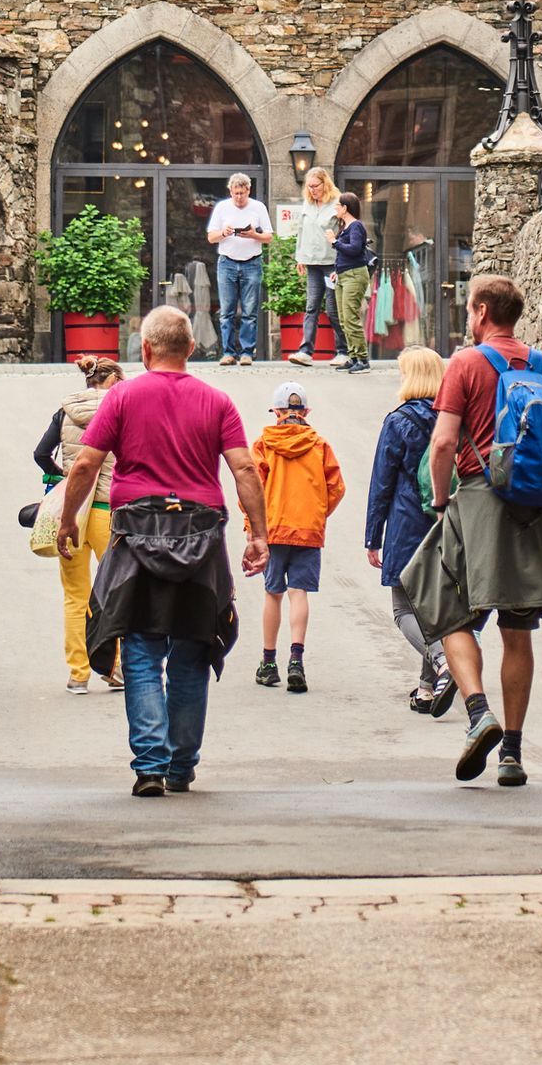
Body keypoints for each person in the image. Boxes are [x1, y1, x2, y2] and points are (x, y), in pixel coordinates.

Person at [59, 305, 268, 796]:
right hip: (201, 535)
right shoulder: (217, 401)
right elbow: (244, 470)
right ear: (191, 349)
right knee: (193, 649)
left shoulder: (123, 397)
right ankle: (180, 766)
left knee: (140, 647)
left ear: (145, 349)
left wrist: (69, 518)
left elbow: (86, 464)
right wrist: (258, 534)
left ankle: (149, 765)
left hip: (136, 533)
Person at [399, 275, 542, 789]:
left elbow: (443, 442)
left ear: (479, 311)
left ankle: (478, 713)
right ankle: (513, 755)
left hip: (478, 501)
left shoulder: (466, 364)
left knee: (442, 606)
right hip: (536, 510)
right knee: (518, 631)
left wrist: (437, 498)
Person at [363, 344, 456, 715]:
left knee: (404, 610)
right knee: (433, 610)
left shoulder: (398, 421)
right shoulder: (453, 418)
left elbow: (381, 483)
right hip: (448, 524)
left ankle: (445, 663)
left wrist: (373, 537)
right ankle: (426, 689)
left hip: (407, 524)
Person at [33, 354, 124, 695]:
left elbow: (41, 453)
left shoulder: (65, 411)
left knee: (75, 595)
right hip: (106, 509)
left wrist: (64, 476)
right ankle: (114, 668)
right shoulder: (119, 409)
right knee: (118, 593)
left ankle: (79, 673)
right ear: (113, 381)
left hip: (72, 513)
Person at [250, 382, 345, 692]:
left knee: (273, 593)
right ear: (306, 412)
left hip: (272, 529)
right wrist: (317, 514)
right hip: (307, 530)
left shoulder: (264, 443)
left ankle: (268, 663)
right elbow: (336, 487)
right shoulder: (319, 445)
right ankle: (296, 660)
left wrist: (254, 526)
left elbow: (251, 486)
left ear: (276, 412)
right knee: (299, 593)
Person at [206, 170, 273, 367]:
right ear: (230, 191)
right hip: (227, 262)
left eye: (242, 193)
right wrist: (224, 233)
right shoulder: (222, 208)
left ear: (248, 190)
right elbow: (211, 237)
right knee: (226, 310)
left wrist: (253, 235)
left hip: (252, 261)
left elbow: (269, 236)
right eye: (235, 193)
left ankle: (246, 352)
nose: (239, 197)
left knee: (249, 311)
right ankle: (228, 352)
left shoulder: (258, 207)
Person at [293, 166, 344, 363]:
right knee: (311, 306)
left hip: (331, 262)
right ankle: (306, 351)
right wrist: (300, 257)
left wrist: (343, 261)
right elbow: (301, 231)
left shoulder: (337, 203)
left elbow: (345, 230)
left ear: (325, 183)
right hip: (312, 262)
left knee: (333, 309)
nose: (312, 189)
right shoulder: (307, 204)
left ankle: (343, 351)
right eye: (309, 186)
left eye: (315, 185)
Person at [332, 191, 374, 372]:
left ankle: (363, 359)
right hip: (343, 275)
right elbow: (345, 254)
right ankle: (353, 356)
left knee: (351, 318)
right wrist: (336, 271)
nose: (335, 208)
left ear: (345, 208)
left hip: (354, 275)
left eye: (337, 206)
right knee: (343, 319)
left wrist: (334, 242)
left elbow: (355, 249)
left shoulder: (356, 226)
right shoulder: (345, 227)